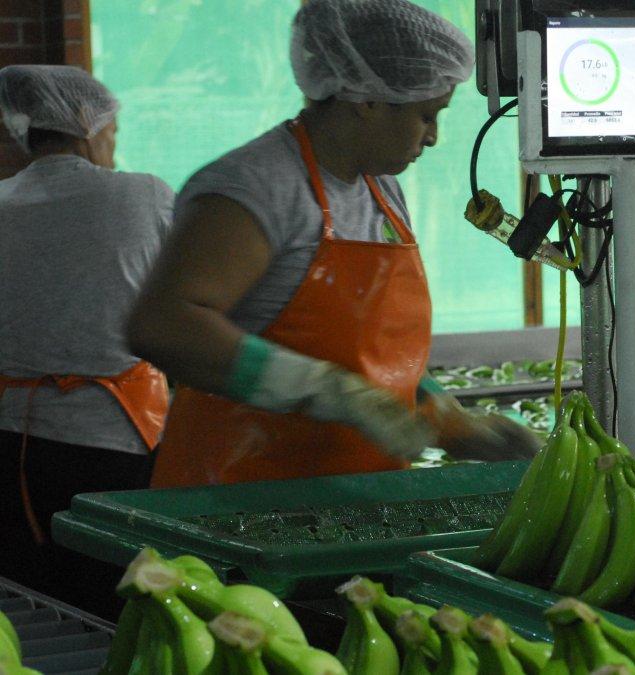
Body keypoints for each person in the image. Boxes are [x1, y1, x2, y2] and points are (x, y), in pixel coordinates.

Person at [126, 0, 540, 489]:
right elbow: (162, 325)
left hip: (355, 499)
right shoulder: (258, 186)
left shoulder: (380, 191)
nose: (432, 137)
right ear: (365, 100)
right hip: (236, 497)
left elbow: (378, 352)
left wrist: (446, 418)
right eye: (426, 116)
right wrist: (322, 389)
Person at [0, 65, 173, 614]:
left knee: (31, 602)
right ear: (84, 123)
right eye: (112, 132)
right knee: (118, 600)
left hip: (12, 440)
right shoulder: (143, 195)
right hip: (116, 441)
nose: (114, 147)